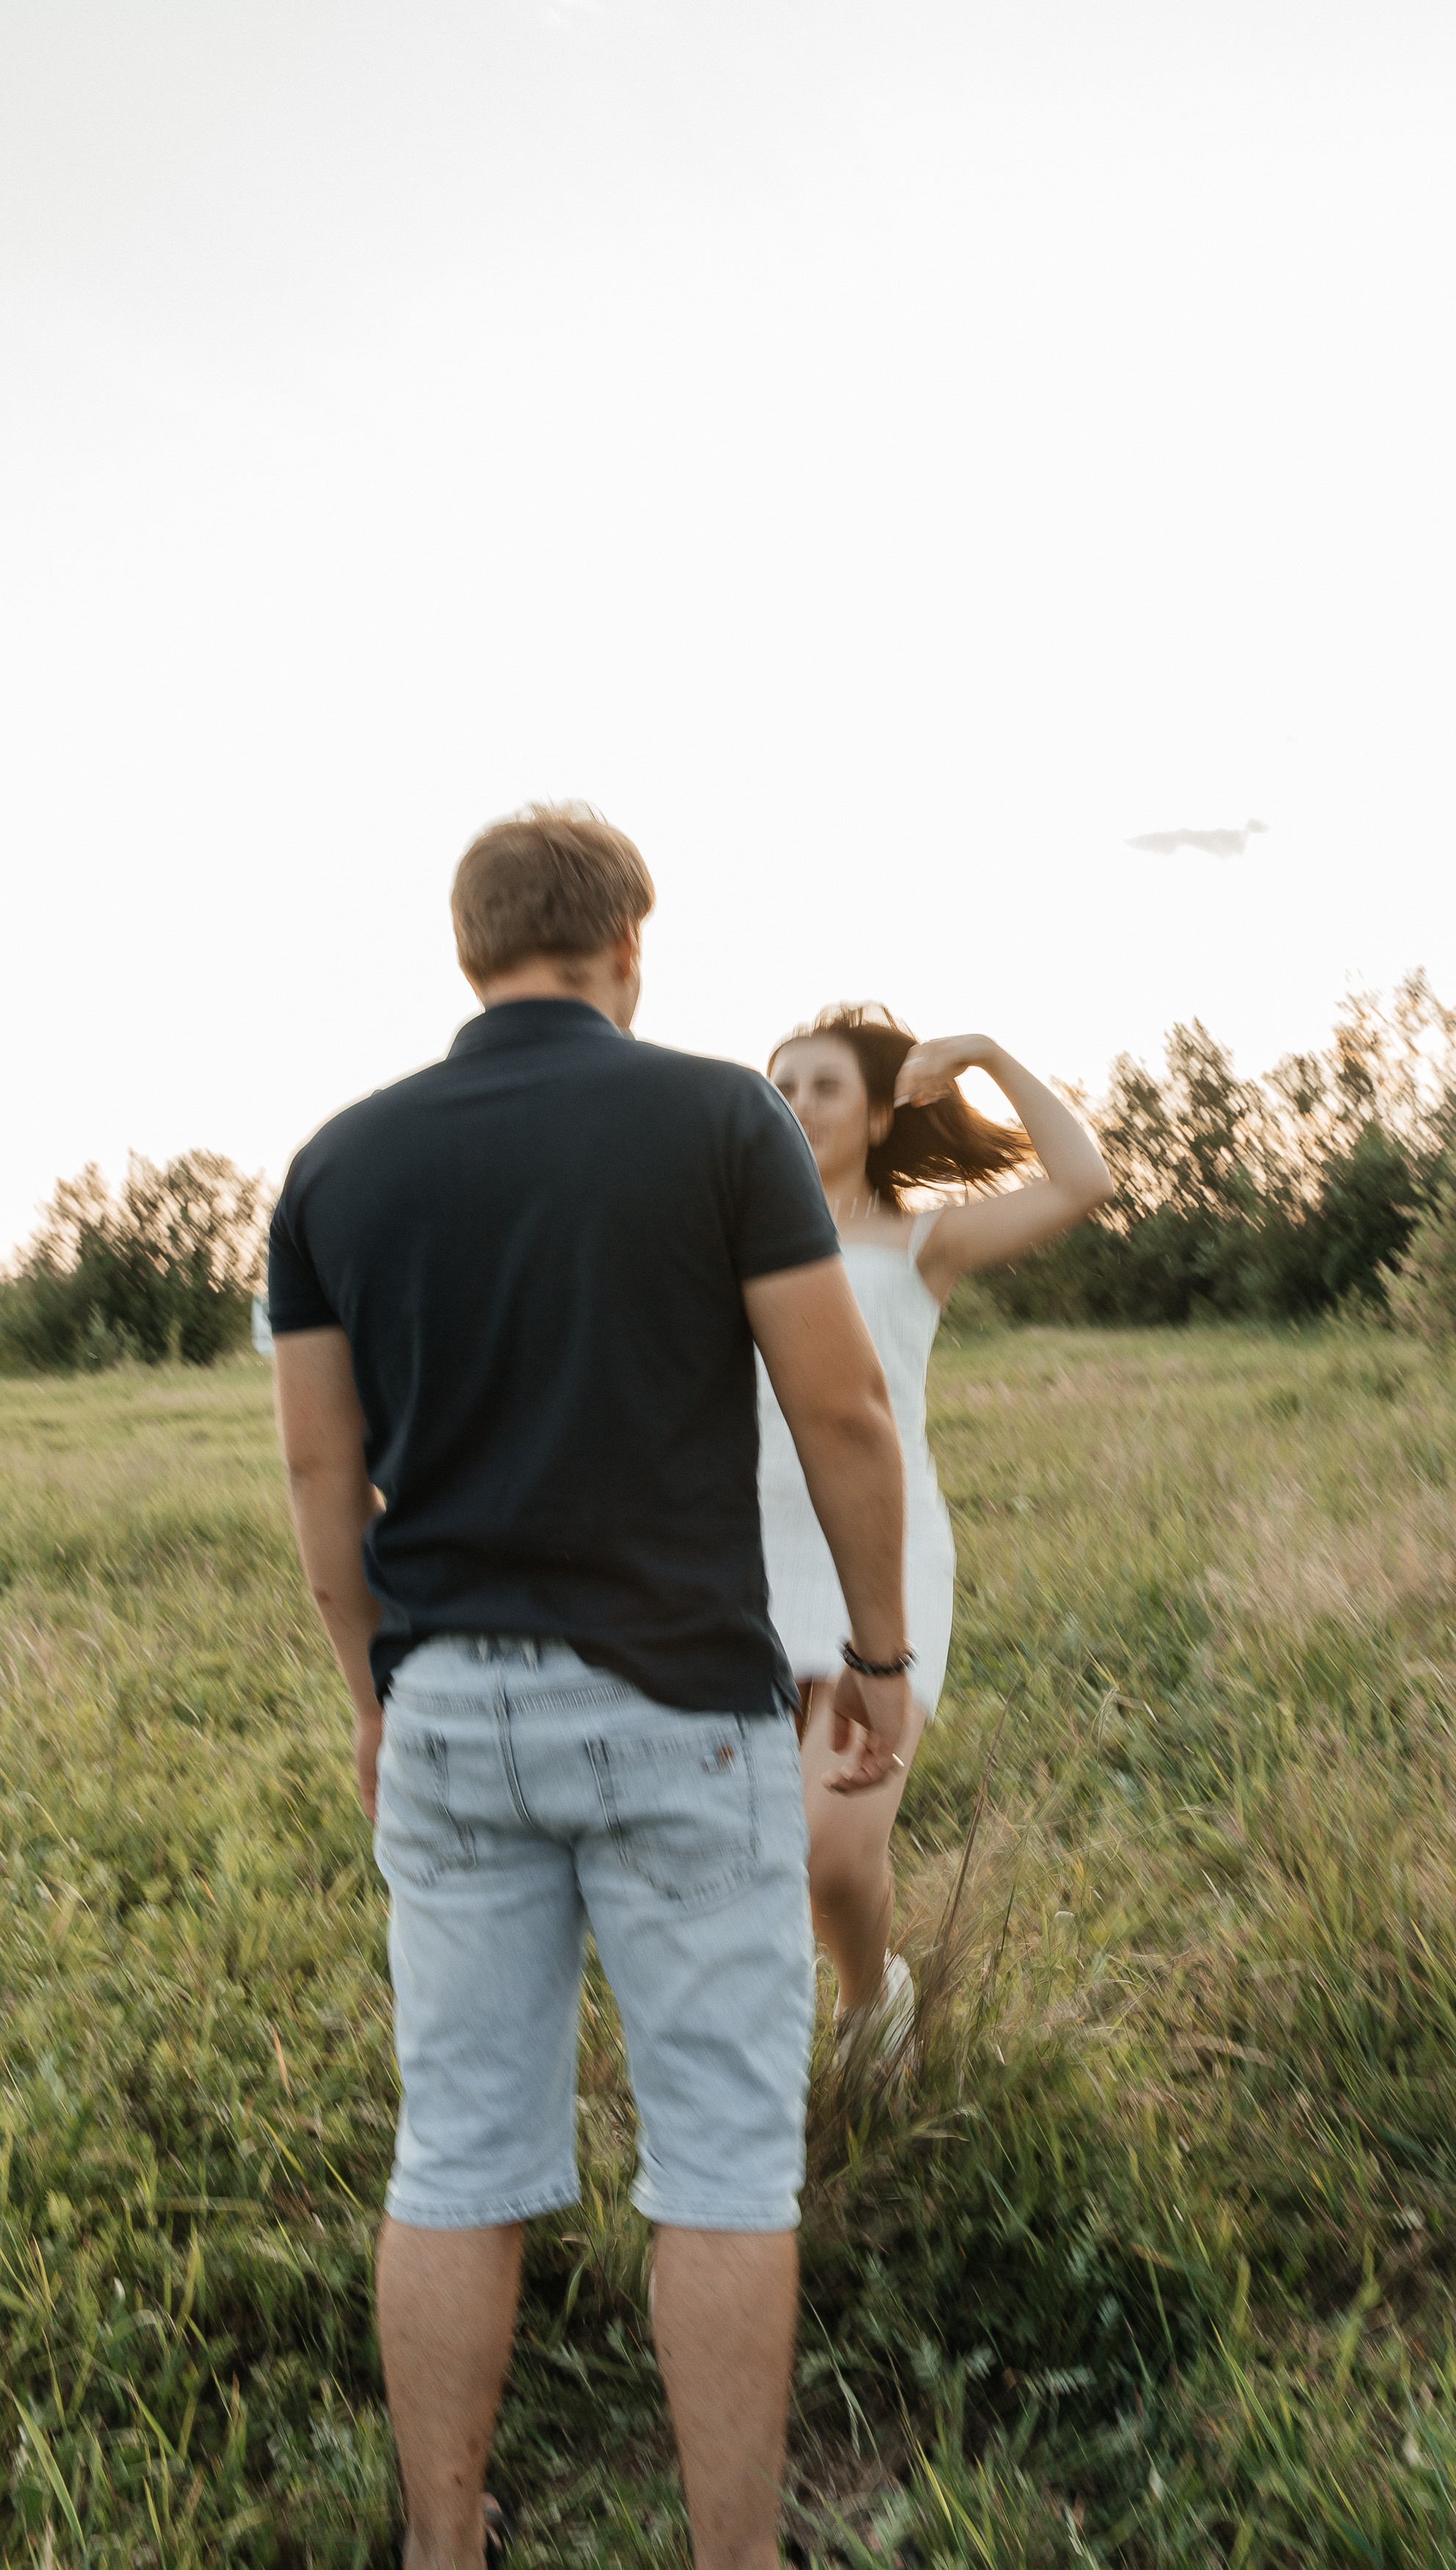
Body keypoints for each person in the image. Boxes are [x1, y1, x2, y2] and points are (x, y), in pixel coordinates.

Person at [267, 809, 914, 2570]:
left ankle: (444, 2546)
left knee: (456, 2152)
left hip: (448, 1708)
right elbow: (842, 1407)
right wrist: (877, 1654)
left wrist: (373, 1691)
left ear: (467, 949)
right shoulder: (722, 1120)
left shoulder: (336, 1163)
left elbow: (323, 1475)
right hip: (682, 1709)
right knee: (723, 2163)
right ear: (628, 944)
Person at [758, 1005, 1114, 2060]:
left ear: (879, 1117)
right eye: (780, 1087)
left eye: (823, 1085)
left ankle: (871, 2005)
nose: (796, 1104)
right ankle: (762, 2034)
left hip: (882, 1557)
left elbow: (1082, 1182)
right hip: (741, 1559)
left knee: (832, 1848)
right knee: (757, 1850)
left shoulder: (924, 1241)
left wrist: (988, 1055)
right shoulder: (729, 1242)